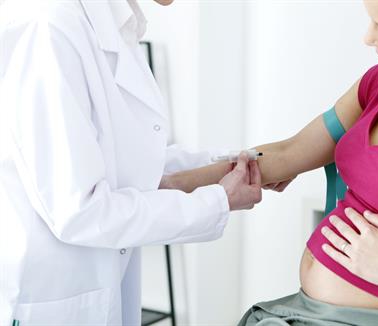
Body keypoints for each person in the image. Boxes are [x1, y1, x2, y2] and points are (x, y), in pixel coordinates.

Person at [162, 0, 378, 324]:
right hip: (311, 311)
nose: (369, 38)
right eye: (372, 22)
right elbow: (290, 152)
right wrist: (165, 187)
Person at [0, 0, 264, 324]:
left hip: (98, 292)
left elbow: (123, 161)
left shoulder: (112, 23)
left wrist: (226, 165)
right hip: (47, 301)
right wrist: (216, 202)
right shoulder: (48, 25)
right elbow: (80, 212)